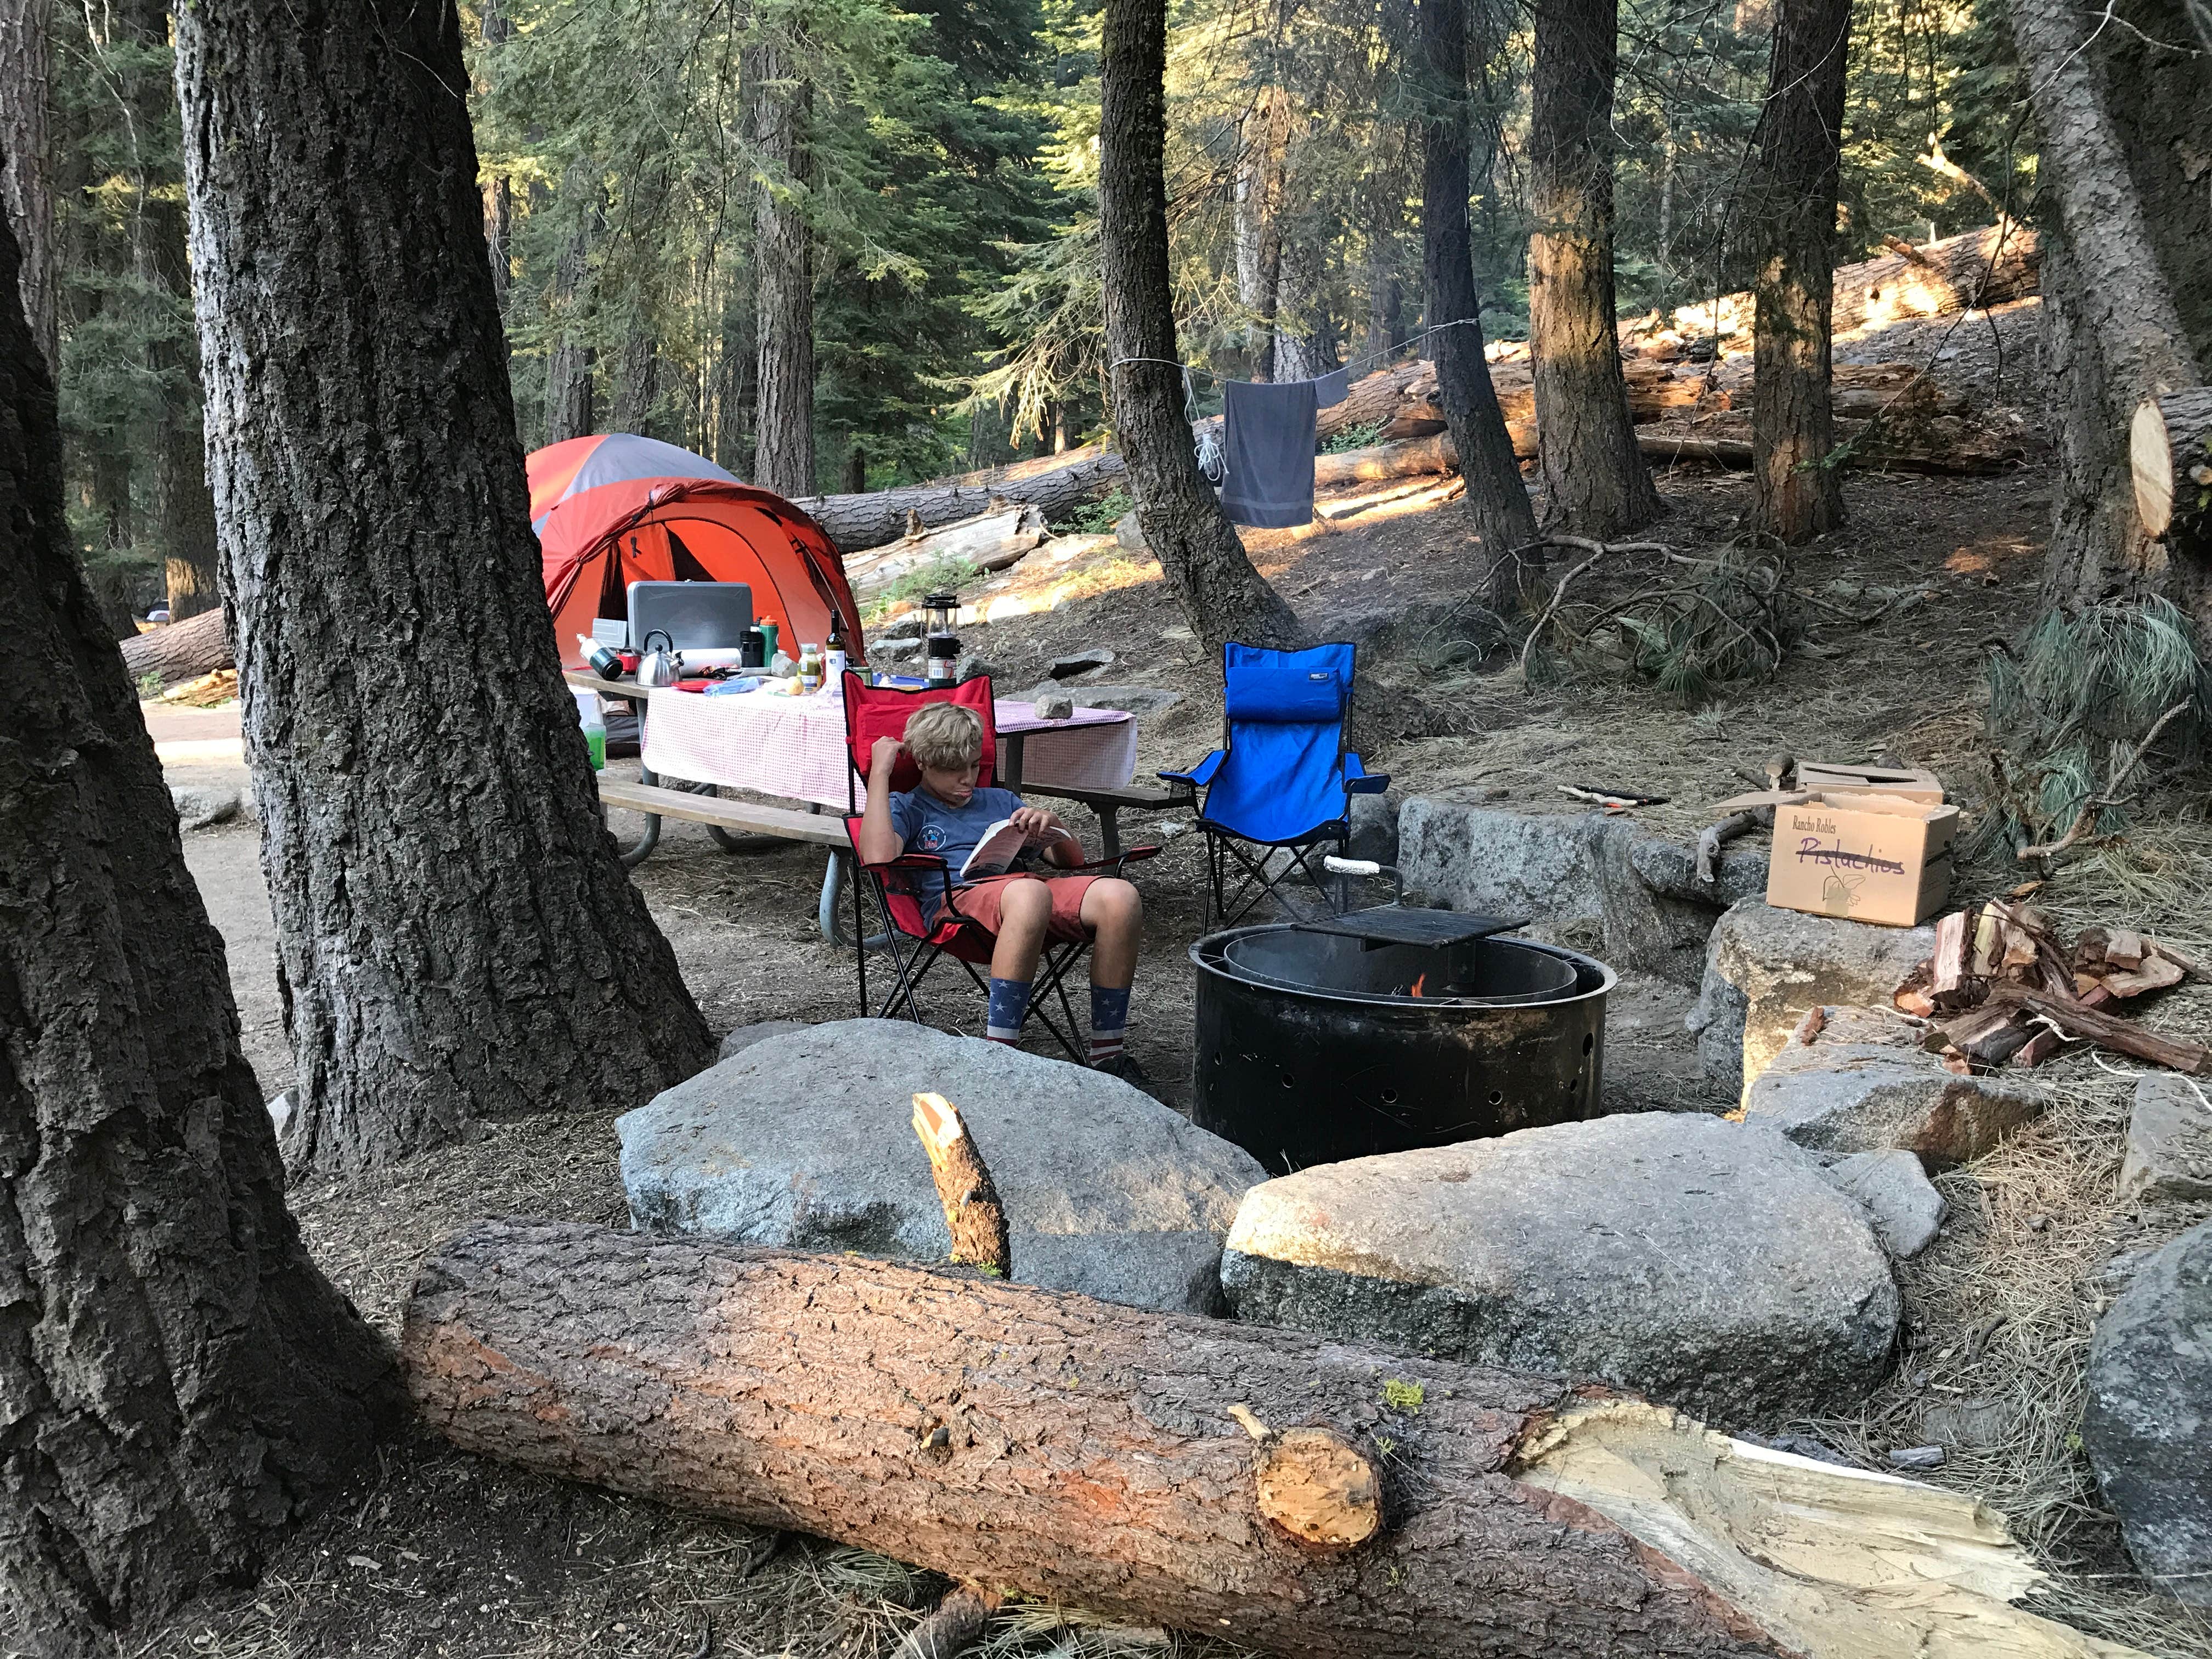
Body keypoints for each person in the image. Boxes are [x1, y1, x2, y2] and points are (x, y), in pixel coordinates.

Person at [857, 700, 1144, 1076]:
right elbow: (878, 856)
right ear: (923, 763)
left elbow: (1069, 861)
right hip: (959, 906)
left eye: (975, 766)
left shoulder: (1000, 801)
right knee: (1029, 894)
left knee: (1120, 897)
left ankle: (1108, 1056)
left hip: (1024, 893)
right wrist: (880, 773)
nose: (968, 779)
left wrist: (1051, 823)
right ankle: (1001, 1056)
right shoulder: (908, 807)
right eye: (953, 770)